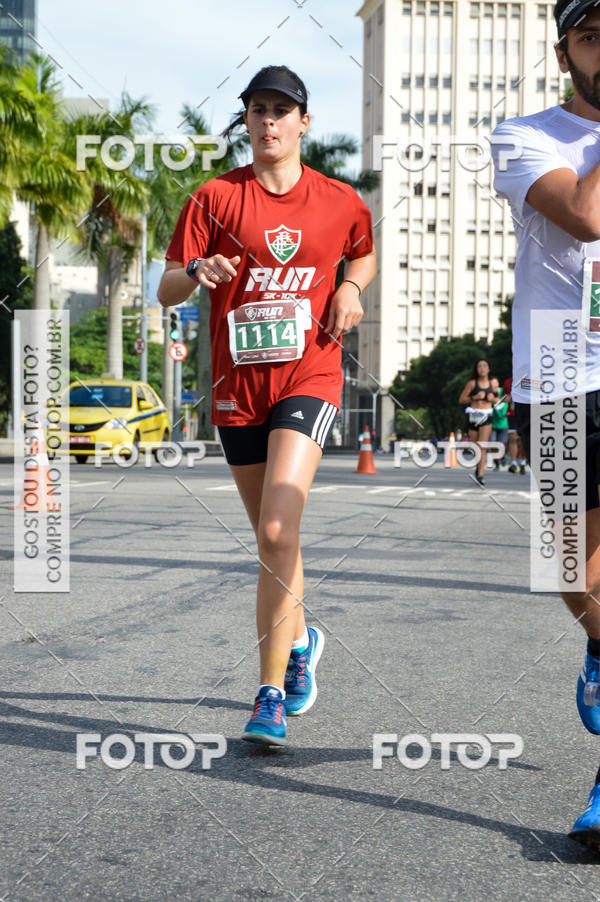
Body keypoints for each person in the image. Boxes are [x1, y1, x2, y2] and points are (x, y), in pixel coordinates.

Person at [157, 65, 376, 747]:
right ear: (247, 121)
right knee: (273, 538)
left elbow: (362, 254)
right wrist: (196, 272)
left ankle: (269, 692)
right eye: (258, 110)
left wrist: (349, 288)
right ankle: (301, 638)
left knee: (279, 530)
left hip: (309, 374)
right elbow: (165, 287)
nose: (269, 121)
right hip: (238, 387)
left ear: (304, 122)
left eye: (282, 110)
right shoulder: (215, 199)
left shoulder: (340, 200)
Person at [492, 0, 600, 848]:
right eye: (593, 35)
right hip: (561, 365)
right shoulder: (525, 135)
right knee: (570, 568)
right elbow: (588, 215)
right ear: (563, 48)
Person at [458, 359, 499, 486]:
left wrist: (494, 398)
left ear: (489, 369)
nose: (482, 368)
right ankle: (478, 468)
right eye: (479, 366)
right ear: (476, 369)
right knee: (476, 447)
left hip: (486, 415)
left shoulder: (493, 383)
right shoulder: (472, 383)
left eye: (484, 366)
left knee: (482, 445)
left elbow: (501, 399)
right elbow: (461, 400)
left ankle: (480, 474)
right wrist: (474, 397)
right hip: (474, 415)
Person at [491, 385, 509, 471]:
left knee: (502, 444)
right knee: (493, 444)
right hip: (493, 424)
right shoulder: (490, 395)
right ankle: (496, 462)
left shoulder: (505, 395)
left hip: (504, 424)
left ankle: (502, 456)